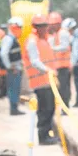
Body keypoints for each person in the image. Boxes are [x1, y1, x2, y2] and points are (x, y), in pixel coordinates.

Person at [23, 14, 59, 145]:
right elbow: (35, 61)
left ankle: (47, 134)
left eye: (44, 26)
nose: (43, 28)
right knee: (45, 109)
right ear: (35, 27)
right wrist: (48, 70)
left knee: (51, 108)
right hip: (40, 82)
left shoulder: (45, 39)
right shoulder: (32, 41)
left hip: (48, 81)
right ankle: (43, 137)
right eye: (40, 26)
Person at [0, 17, 25, 115]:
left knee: (15, 88)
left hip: (16, 68)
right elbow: (3, 54)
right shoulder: (9, 39)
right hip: (13, 69)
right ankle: (13, 109)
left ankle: (15, 108)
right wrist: (9, 66)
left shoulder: (12, 39)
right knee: (13, 88)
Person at [48, 11, 72, 110]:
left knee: (63, 88)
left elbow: (64, 47)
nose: (51, 26)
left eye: (53, 24)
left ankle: (65, 107)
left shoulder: (63, 33)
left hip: (64, 65)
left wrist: (52, 48)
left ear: (58, 23)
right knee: (61, 88)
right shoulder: (56, 34)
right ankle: (63, 106)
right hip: (59, 65)